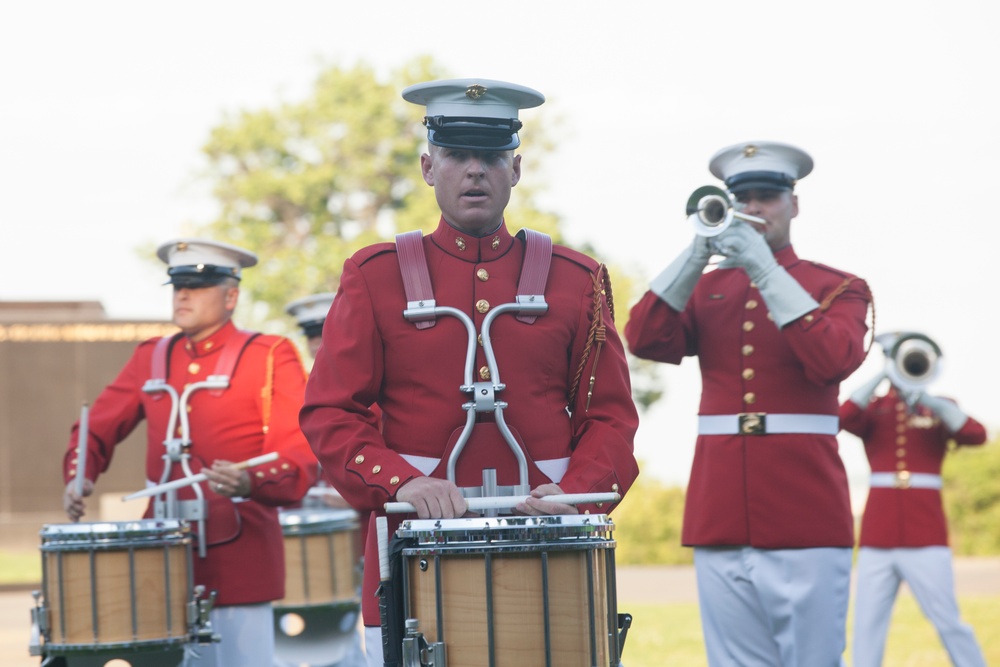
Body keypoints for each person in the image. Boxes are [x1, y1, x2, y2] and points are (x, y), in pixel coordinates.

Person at [299, 78, 640, 666]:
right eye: (457, 155)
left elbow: (610, 419)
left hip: (551, 552)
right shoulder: (374, 275)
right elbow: (330, 411)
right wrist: (401, 483)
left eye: (491, 156)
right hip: (414, 554)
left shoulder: (576, 279)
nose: (475, 170)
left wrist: (575, 498)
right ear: (428, 168)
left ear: (516, 168)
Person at [624, 141, 872, 667]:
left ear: (793, 204)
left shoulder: (839, 287)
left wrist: (764, 269)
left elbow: (833, 359)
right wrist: (696, 254)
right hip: (721, 509)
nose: (755, 208)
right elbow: (643, 337)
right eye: (744, 198)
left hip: (805, 512)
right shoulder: (708, 285)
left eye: (768, 197)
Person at [62, 238, 317, 667]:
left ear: (231, 296)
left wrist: (250, 480)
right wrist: (79, 474)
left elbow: (298, 448)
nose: (182, 295)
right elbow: (97, 427)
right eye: (178, 286)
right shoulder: (150, 357)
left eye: (197, 287)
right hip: (159, 561)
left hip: (239, 559)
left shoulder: (270, 355)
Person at [841, 332, 988, 667]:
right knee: (867, 624)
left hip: (926, 534)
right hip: (878, 535)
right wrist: (883, 374)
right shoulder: (876, 408)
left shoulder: (940, 407)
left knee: (947, 619)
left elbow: (975, 434)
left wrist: (930, 399)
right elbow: (843, 416)